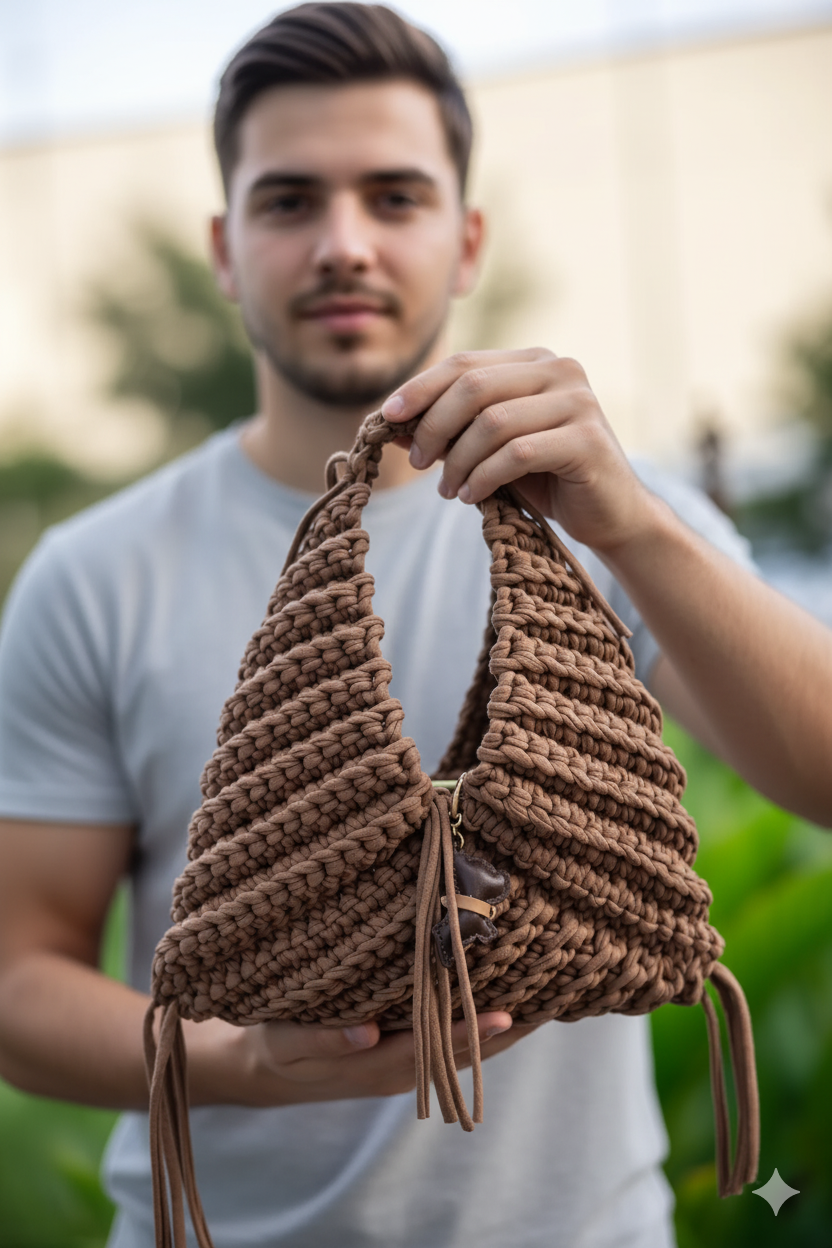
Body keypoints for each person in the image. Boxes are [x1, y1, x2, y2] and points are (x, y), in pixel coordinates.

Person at [0, 5, 831, 1246]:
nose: (343, 244)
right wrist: (240, 1064)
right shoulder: (94, 574)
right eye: (289, 202)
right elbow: (18, 977)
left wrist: (640, 530)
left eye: (394, 197)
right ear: (226, 249)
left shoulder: (611, 519)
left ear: (465, 237)